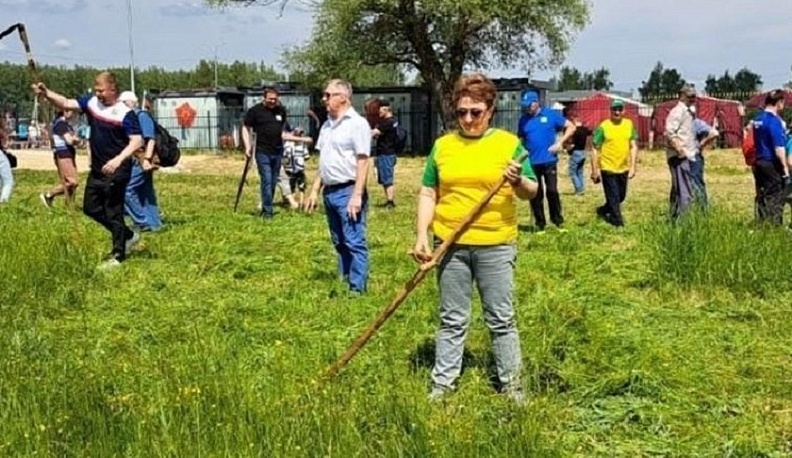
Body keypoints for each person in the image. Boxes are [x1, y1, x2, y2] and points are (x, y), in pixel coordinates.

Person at [413, 72, 538, 404]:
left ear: (490, 109)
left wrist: (516, 182)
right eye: (461, 112)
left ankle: (511, 385)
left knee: (501, 317)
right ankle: (443, 384)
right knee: (452, 317)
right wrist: (421, 236)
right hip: (449, 246)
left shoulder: (509, 145)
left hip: (495, 245)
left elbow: (531, 191)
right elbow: (428, 192)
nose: (468, 119)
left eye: (475, 112)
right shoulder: (443, 147)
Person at [33, 71, 144, 270]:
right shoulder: (92, 103)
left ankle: (118, 255)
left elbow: (137, 141)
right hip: (97, 170)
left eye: (101, 90)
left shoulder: (124, 113)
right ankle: (127, 235)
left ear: (112, 89)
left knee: (113, 211)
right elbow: (66, 103)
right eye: (96, 89)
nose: (97, 93)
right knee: (90, 208)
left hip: (117, 170)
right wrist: (47, 92)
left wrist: (118, 160)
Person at [304, 79, 372, 294]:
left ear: (343, 97)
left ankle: (357, 289)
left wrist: (357, 195)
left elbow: (363, 160)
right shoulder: (326, 125)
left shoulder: (357, 124)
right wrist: (315, 190)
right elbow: (324, 162)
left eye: (328, 95)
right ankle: (343, 279)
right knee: (338, 240)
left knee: (354, 240)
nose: (324, 99)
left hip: (348, 190)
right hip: (330, 191)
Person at [517, 91, 574, 233]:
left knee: (552, 191)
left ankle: (557, 221)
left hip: (549, 160)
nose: (527, 108)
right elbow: (521, 139)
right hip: (532, 162)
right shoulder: (523, 120)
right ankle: (540, 223)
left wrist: (560, 142)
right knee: (536, 194)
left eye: (528, 105)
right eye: (525, 106)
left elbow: (571, 126)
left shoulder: (550, 115)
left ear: (536, 103)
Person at [242, 88, 303, 219]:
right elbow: (245, 127)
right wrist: (248, 147)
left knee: (273, 181)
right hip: (262, 151)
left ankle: (266, 205)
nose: (273, 101)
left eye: (275, 99)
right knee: (267, 180)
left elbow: (282, 132)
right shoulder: (255, 111)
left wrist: (298, 138)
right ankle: (267, 212)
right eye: (270, 99)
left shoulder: (281, 111)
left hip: (277, 151)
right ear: (264, 98)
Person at [590, 99, 638, 227]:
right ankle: (618, 222)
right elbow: (595, 148)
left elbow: (633, 146)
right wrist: (595, 170)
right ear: (610, 111)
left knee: (621, 196)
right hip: (608, 167)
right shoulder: (604, 127)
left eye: (619, 109)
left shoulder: (629, 124)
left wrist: (633, 166)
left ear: (624, 111)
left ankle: (602, 210)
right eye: (614, 109)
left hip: (623, 167)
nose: (617, 112)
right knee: (614, 196)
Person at [119, 91, 162, 232]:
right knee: (146, 193)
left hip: (142, 160)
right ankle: (155, 224)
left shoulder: (141, 116)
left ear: (131, 102)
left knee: (127, 190)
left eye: (123, 102)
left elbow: (150, 140)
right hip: (137, 159)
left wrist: (147, 159)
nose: (121, 106)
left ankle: (142, 222)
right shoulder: (131, 117)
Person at [751, 89, 788, 225]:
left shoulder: (757, 120)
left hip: (759, 160)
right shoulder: (774, 121)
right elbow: (779, 148)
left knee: (762, 194)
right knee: (775, 195)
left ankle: (761, 223)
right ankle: (773, 226)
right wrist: (784, 168)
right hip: (771, 162)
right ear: (779, 103)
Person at [664, 85, 699, 219]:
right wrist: (680, 150)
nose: (693, 99)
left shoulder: (688, 112)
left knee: (679, 188)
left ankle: (674, 217)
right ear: (682, 95)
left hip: (687, 155)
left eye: (694, 96)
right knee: (683, 190)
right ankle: (683, 220)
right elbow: (669, 133)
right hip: (679, 156)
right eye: (690, 96)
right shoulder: (678, 111)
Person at [40, 109, 79, 207]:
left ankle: (69, 205)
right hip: (63, 154)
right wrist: (77, 140)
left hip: (69, 154)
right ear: (65, 112)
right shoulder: (61, 124)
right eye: (72, 111)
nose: (74, 114)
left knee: (70, 183)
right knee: (72, 182)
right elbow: (69, 140)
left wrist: (76, 139)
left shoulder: (66, 125)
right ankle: (49, 195)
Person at [689, 105, 720, 208]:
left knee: (697, 183)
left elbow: (714, 133)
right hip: (686, 157)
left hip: (695, 157)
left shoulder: (697, 123)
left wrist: (702, 144)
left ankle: (702, 209)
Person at [371, 99, 398, 208]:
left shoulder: (388, 122)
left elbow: (374, 133)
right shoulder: (392, 121)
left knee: (387, 178)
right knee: (384, 178)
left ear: (386, 109)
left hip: (386, 153)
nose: (379, 112)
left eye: (380, 109)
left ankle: (390, 201)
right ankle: (388, 199)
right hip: (386, 152)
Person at [564, 109, 591, 196]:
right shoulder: (585, 130)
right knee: (580, 171)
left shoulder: (574, 131)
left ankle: (578, 189)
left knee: (572, 171)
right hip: (583, 152)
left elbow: (570, 141)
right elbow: (591, 131)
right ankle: (581, 188)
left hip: (576, 152)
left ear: (574, 120)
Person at [283, 126, 310, 208]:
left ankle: (300, 203)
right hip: (291, 168)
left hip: (297, 168)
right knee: (292, 186)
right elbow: (306, 157)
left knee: (300, 186)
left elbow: (306, 156)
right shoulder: (289, 143)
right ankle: (293, 203)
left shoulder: (300, 144)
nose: (300, 135)